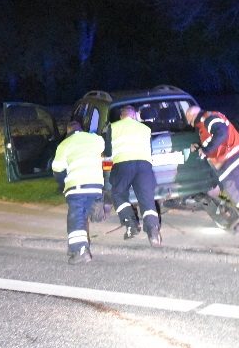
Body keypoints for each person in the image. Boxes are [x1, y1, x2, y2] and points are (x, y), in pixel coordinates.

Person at [185, 105, 239, 232]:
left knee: (233, 187)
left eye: (189, 121)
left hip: (234, 157)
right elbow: (213, 140)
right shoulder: (206, 122)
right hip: (236, 157)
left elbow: (221, 133)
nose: (190, 124)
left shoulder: (207, 119)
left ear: (192, 116)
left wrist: (205, 150)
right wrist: (201, 147)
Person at [106, 105, 162, 247]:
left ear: (121, 117)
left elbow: (107, 150)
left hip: (123, 165)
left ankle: (131, 225)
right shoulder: (145, 128)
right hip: (144, 166)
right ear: (135, 116)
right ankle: (153, 232)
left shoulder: (113, 127)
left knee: (118, 194)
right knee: (147, 199)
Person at [52, 120, 106, 265]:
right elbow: (103, 146)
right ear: (81, 129)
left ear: (68, 131)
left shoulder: (64, 144)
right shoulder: (94, 138)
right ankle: (76, 247)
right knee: (82, 217)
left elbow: (57, 169)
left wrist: (63, 182)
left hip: (77, 187)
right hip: (96, 185)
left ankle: (81, 250)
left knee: (76, 218)